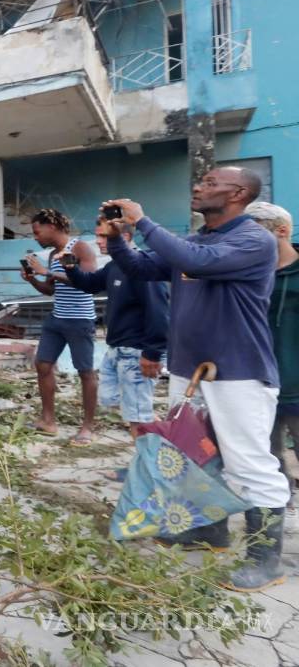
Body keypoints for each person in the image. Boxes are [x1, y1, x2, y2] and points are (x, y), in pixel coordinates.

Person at [102, 166, 288, 592]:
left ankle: (265, 559)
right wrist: (116, 235)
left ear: (238, 193)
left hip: (237, 372)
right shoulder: (196, 240)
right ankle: (210, 531)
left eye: (210, 182)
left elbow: (196, 262)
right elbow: (138, 266)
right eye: (200, 181)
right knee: (196, 457)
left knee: (250, 465)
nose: (199, 187)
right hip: (190, 370)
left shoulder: (253, 240)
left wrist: (142, 221)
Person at [63, 218, 169, 478]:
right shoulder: (114, 266)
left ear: (126, 237)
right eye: (98, 236)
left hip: (136, 352)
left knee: (138, 416)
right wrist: (72, 268)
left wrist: (152, 353)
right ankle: (159, 453)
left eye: (104, 236)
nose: (98, 241)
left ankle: (148, 472)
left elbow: (160, 312)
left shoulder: (144, 268)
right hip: (116, 350)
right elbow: (89, 284)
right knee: (121, 405)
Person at [20, 209, 101, 445]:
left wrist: (49, 271)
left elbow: (90, 282)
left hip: (80, 320)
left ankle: (88, 427)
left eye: (37, 231)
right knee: (43, 364)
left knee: (85, 372)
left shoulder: (80, 248)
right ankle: (48, 420)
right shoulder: (54, 253)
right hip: (57, 318)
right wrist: (34, 278)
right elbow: (51, 290)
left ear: (52, 227)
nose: (35, 237)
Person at [245, 202, 299, 534]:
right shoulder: (250, 274)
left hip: (297, 383)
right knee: (268, 456)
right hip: (260, 382)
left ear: (280, 231)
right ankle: (275, 520)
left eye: (254, 229)